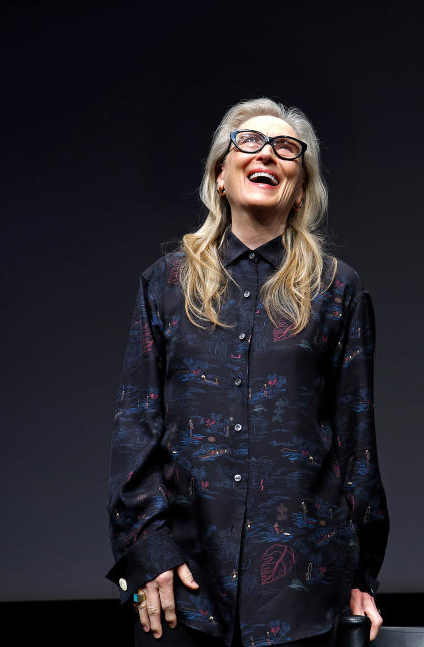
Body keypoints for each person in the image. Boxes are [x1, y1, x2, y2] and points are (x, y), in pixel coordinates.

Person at [106, 98, 389, 647]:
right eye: (249, 141)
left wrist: (363, 575)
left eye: (287, 149)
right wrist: (145, 557)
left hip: (303, 592)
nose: (269, 155)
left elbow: (357, 441)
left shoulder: (338, 289)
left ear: (300, 187)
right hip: (179, 586)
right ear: (220, 174)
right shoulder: (166, 283)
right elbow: (134, 427)